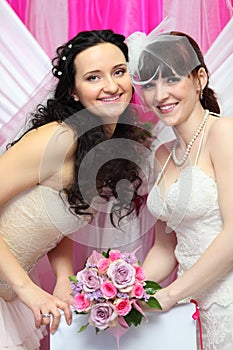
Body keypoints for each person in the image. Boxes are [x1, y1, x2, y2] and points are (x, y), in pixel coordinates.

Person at [0, 29, 150, 349]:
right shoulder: (58, 138)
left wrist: (64, 278)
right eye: (94, 77)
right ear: (73, 91)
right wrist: (26, 288)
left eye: (119, 72)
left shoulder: (102, 143)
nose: (111, 86)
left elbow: (61, 210)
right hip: (15, 287)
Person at [126, 30, 233, 349]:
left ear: (199, 78)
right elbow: (164, 248)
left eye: (171, 79)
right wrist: (128, 288)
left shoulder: (223, 134)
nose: (160, 95)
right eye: (149, 85)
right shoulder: (162, 155)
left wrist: (172, 293)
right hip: (193, 304)